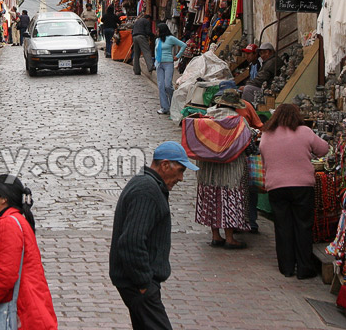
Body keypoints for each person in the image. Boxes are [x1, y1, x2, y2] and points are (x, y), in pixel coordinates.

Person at [110, 142, 198, 330]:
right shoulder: (147, 190)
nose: (181, 178)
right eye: (180, 170)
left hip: (136, 282)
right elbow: (131, 241)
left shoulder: (147, 184)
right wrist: (144, 283)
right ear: (165, 165)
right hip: (137, 284)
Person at [0, 175, 58, 329]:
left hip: (23, 315)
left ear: (3, 199)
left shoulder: (8, 225)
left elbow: (5, 276)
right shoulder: (15, 221)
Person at [259, 103, 329, 279]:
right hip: (302, 186)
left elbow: (264, 156)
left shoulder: (267, 135)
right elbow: (324, 149)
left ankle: (286, 267)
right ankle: (305, 268)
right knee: (303, 226)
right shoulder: (305, 131)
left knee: (283, 227)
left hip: (276, 186)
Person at [190, 90, 262, 250]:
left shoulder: (207, 117)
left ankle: (216, 236)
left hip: (208, 169)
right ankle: (230, 238)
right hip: (230, 169)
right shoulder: (238, 121)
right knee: (229, 198)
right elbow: (249, 147)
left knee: (211, 197)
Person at [153, 25, 187, 116]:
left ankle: (173, 104)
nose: (156, 31)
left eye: (158, 29)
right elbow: (155, 51)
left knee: (168, 85)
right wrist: (155, 61)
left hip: (168, 63)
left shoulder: (171, 38)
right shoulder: (157, 40)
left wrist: (177, 56)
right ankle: (164, 107)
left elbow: (184, 45)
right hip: (159, 64)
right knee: (161, 86)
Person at [130, 11, 155, 76]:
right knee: (146, 51)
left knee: (136, 54)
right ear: (149, 19)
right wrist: (153, 36)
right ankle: (150, 67)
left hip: (134, 37)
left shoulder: (137, 21)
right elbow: (148, 31)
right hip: (141, 36)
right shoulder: (146, 21)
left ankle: (136, 70)